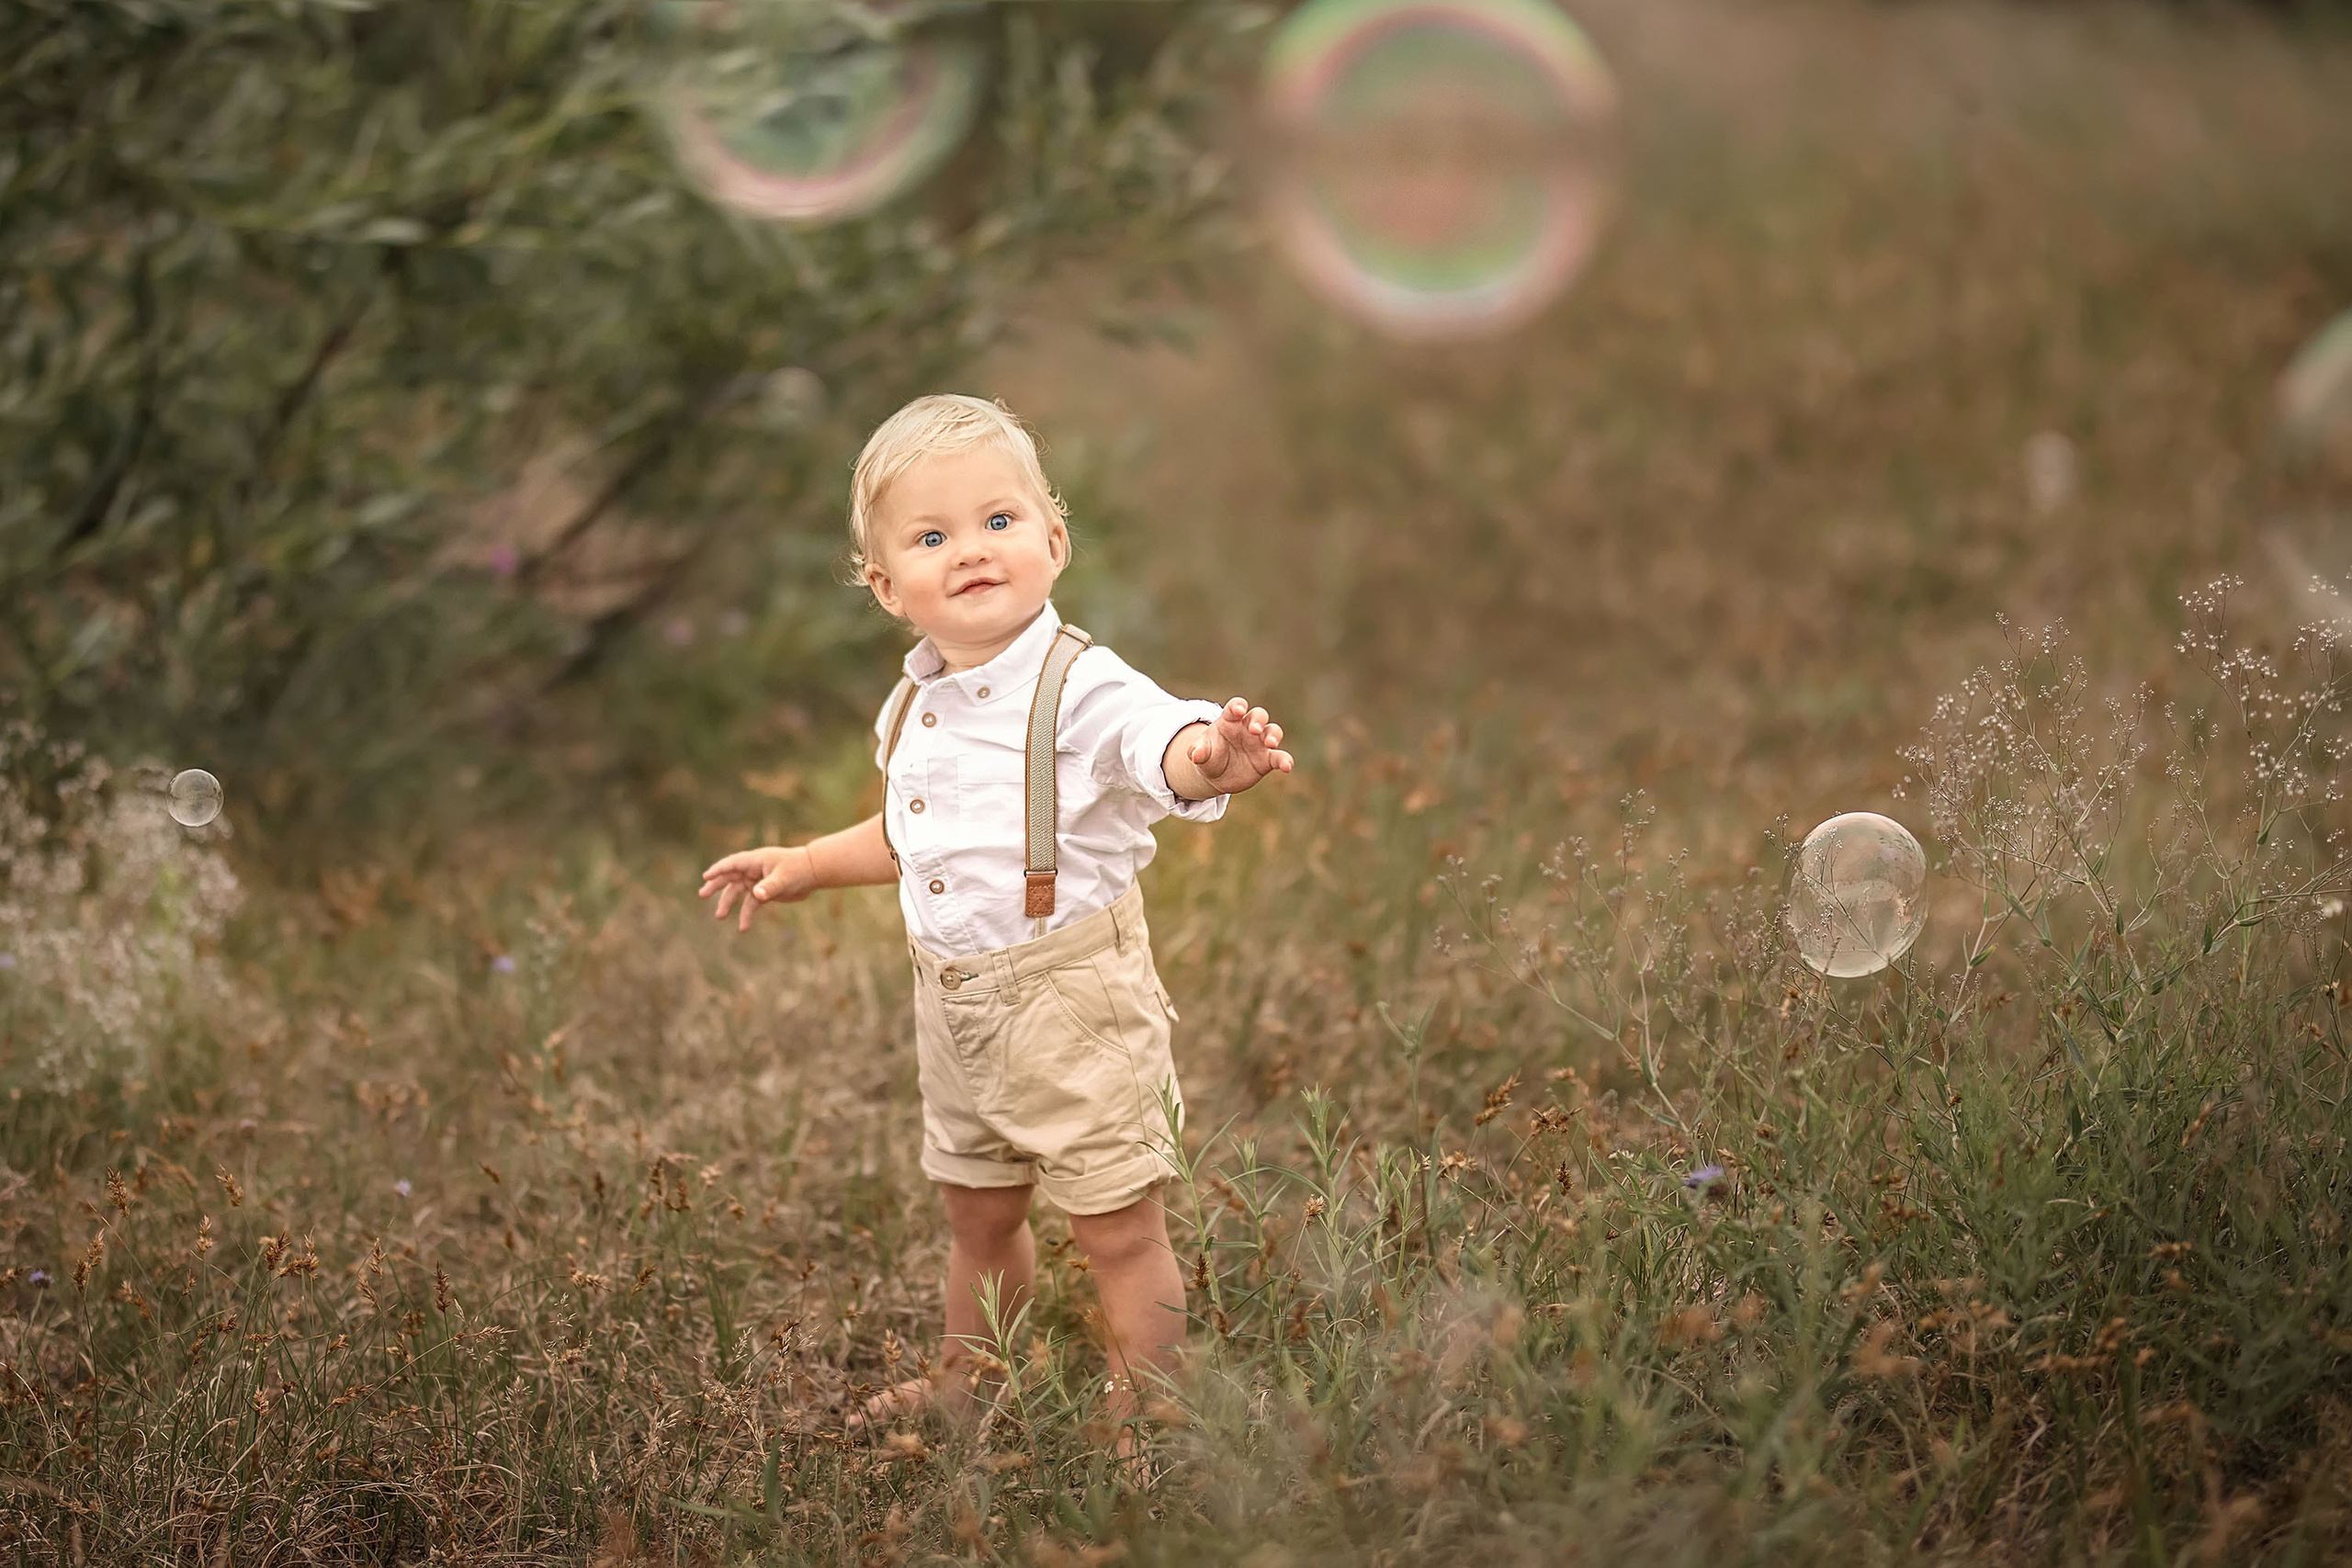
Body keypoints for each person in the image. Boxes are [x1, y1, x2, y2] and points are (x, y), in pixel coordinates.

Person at [696, 394, 1293, 1450]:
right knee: (976, 1213)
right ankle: (971, 1375)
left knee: (1115, 1224)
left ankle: (1148, 1406)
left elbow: (1154, 737)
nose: (971, 550)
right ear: (887, 587)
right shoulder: (918, 702)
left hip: (1071, 1000)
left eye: (998, 521)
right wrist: (808, 864)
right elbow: (913, 834)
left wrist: (1207, 754)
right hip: (954, 1004)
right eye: (931, 537)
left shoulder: (1079, 686)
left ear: (1054, 542)